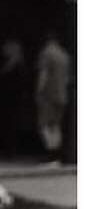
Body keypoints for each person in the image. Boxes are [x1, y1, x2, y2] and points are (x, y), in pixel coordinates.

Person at [35, 28, 72, 163]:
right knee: (56, 125)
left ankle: (49, 154)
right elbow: (67, 78)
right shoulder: (64, 55)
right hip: (62, 95)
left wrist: (38, 91)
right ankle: (56, 156)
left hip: (48, 95)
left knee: (44, 124)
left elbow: (43, 74)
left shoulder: (46, 53)